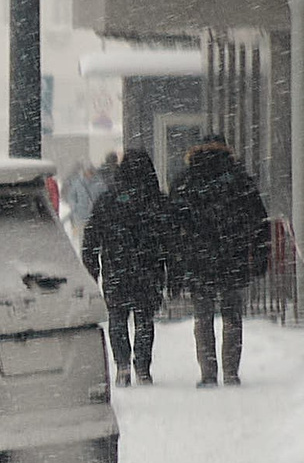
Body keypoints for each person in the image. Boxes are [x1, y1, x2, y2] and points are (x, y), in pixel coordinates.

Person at [168, 135, 269, 387]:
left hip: (198, 258)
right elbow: (258, 220)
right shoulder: (238, 178)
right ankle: (231, 371)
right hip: (231, 256)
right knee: (232, 314)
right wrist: (258, 255)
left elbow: (173, 223)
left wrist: (176, 260)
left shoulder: (186, 180)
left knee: (203, 316)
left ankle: (208, 372)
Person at [80, 149, 169, 386]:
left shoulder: (107, 201)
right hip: (148, 270)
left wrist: (92, 270)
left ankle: (122, 365)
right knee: (144, 319)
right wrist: (172, 269)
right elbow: (169, 239)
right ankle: (142, 367)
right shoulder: (157, 201)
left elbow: (91, 239)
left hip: (116, 270)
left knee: (117, 319)